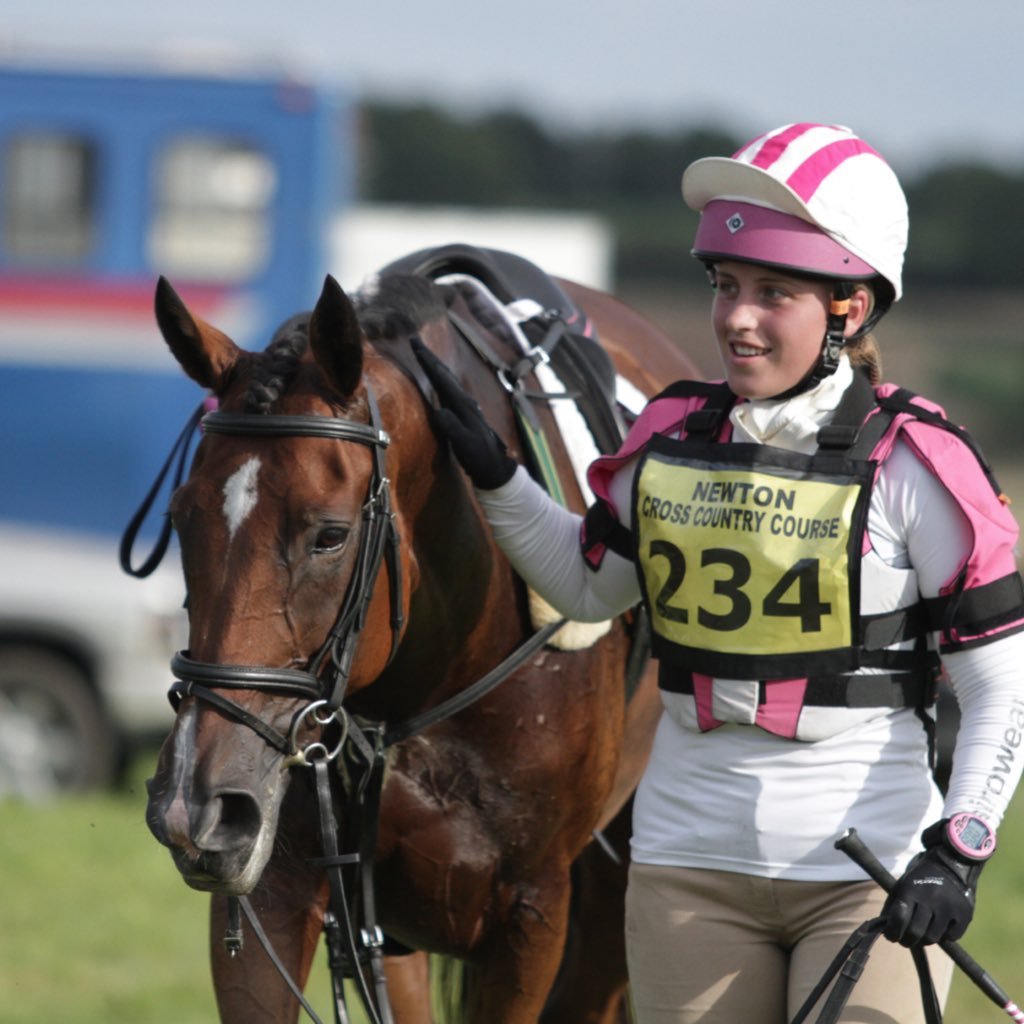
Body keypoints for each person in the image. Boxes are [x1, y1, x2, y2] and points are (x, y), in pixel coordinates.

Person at [413, 122, 1024, 1023]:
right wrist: (496, 477)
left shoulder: (915, 460)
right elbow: (588, 590)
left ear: (849, 309)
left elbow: (999, 689)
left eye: (774, 292)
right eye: (727, 286)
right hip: (686, 866)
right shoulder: (671, 433)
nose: (736, 318)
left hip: (867, 874)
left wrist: (960, 847)